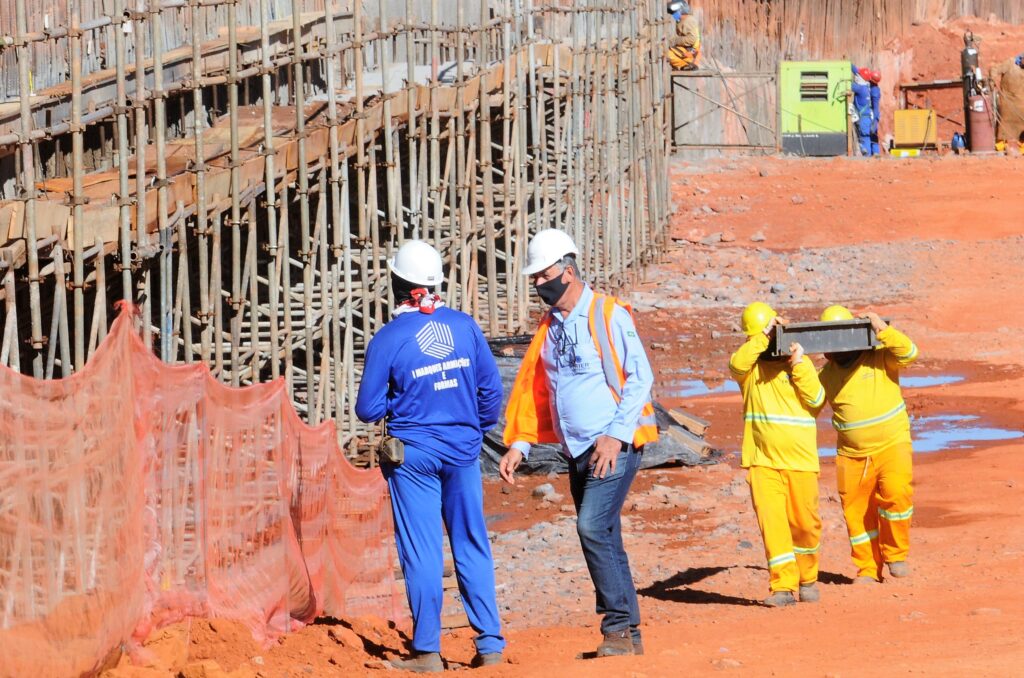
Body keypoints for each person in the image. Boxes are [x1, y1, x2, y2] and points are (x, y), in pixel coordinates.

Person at [498, 229, 657, 657]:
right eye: (534, 277)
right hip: (576, 449)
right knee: (606, 533)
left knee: (591, 527)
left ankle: (616, 628)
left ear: (567, 272)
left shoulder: (608, 314)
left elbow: (640, 377)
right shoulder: (550, 326)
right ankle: (629, 634)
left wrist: (615, 436)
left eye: (543, 275)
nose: (538, 284)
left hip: (612, 446)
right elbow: (538, 389)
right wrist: (521, 444)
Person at [355, 240, 505, 672]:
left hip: (414, 456)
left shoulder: (389, 339)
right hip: (463, 452)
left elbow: (367, 409)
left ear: (397, 283)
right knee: (471, 542)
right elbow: (490, 392)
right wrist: (471, 431)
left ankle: (427, 651)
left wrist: (401, 398)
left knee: (421, 550)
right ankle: (490, 645)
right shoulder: (464, 326)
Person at [729, 302, 825, 607]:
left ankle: (808, 579)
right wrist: (764, 336)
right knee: (773, 525)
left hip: (800, 462)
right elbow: (737, 364)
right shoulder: (750, 372)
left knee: (805, 525)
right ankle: (782, 587)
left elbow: (817, 399)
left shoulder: (800, 366)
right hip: (762, 462)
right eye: (762, 338)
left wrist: (799, 364)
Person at [818, 305, 918, 584]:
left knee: (897, 495)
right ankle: (867, 569)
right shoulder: (825, 376)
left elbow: (910, 353)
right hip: (851, 456)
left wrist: (883, 330)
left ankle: (896, 555)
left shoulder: (880, 356)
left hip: (892, 444)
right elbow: (807, 405)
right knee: (856, 512)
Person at [990, 54, 1024, 150]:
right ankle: (1000, 146)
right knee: (1004, 126)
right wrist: (992, 81)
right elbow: (994, 69)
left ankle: (1022, 148)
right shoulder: (1010, 63)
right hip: (1007, 101)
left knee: (1022, 127)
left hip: (1022, 103)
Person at [667, 1, 701, 71]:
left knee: (666, 52)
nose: (673, 14)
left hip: (690, 51)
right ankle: (683, 64)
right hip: (686, 49)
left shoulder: (689, 20)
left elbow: (692, 39)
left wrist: (675, 40)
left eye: (674, 12)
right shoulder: (681, 21)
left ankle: (686, 64)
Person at [851, 65, 875, 156]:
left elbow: (847, 85)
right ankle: (867, 156)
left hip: (863, 119)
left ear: (861, 78)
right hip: (866, 117)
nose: (856, 76)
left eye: (858, 75)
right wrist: (849, 65)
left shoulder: (860, 88)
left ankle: (867, 158)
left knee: (864, 138)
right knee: (865, 138)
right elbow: (858, 72)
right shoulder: (866, 86)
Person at [869, 70, 882, 155]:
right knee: (873, 134)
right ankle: (875, 152)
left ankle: (875, 152)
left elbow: (875, 107)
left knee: (873, 133)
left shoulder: (874, 91)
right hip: (875, 114)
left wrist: (874, 120)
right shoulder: (876, 88)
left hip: (874, 114)